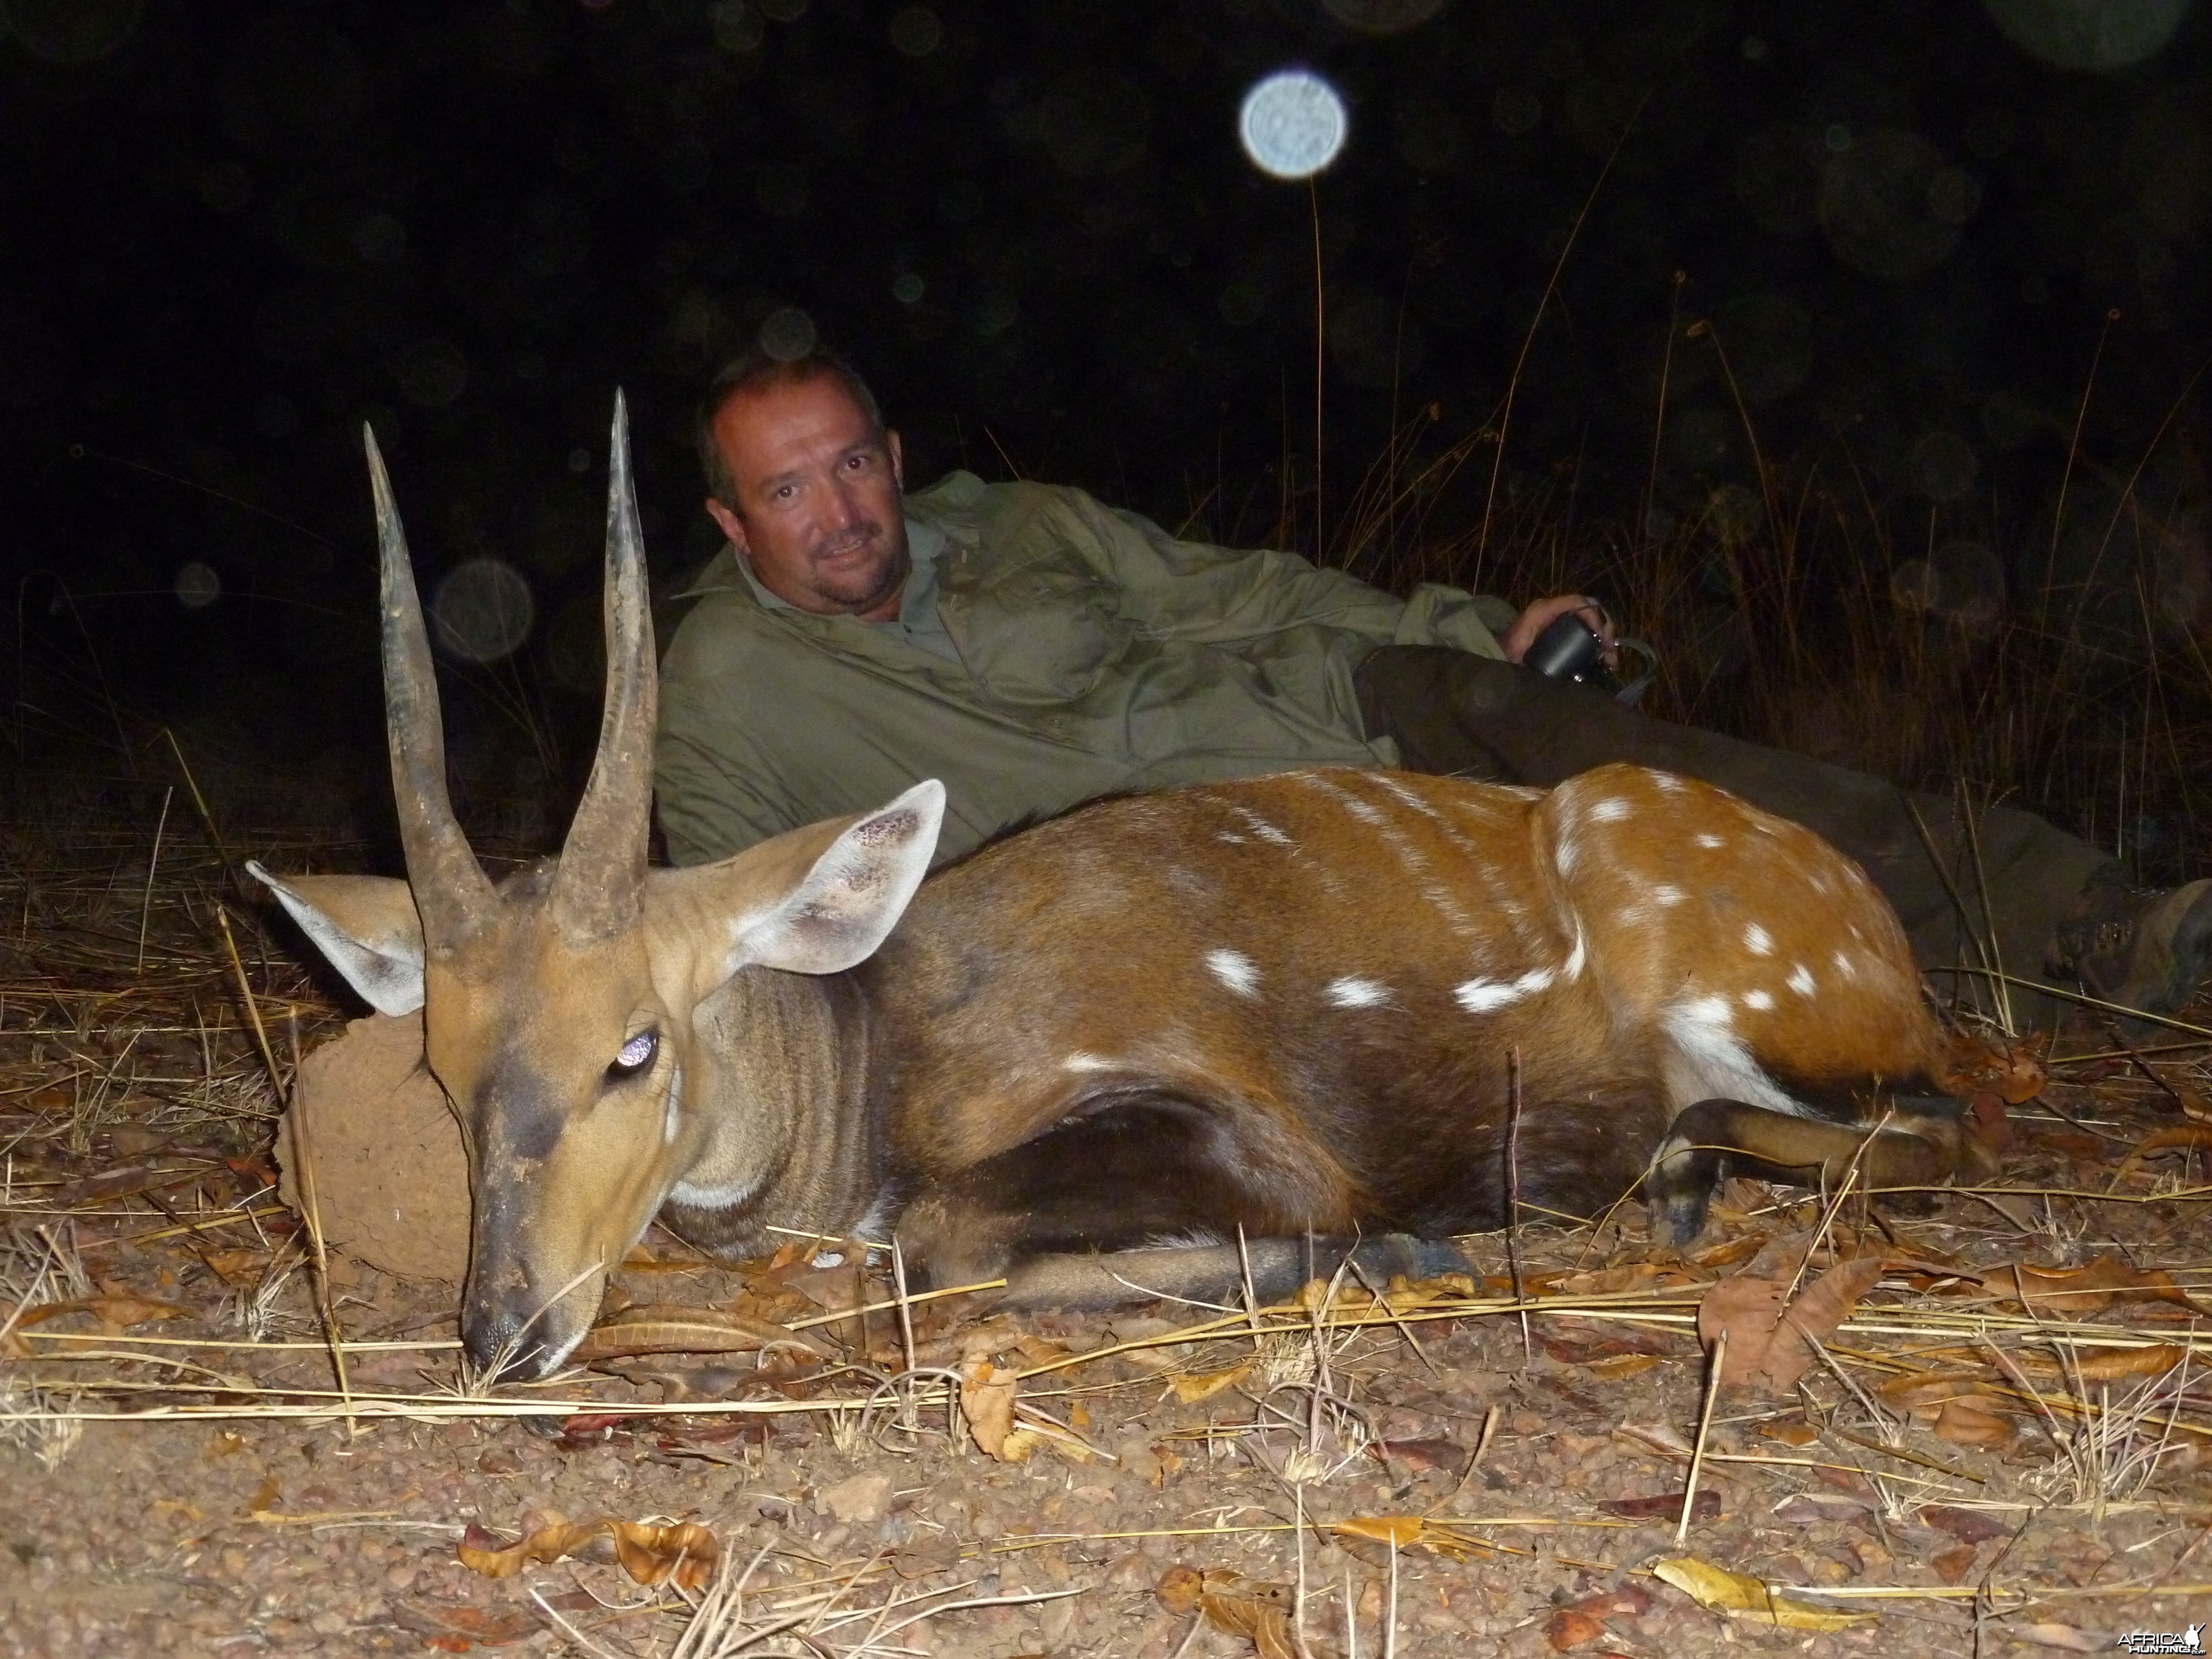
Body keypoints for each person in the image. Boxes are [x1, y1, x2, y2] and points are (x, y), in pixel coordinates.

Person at [654, 343, 2212, 1027]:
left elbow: (1252, 591)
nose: (842, 510)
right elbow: (703, 916)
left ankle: (2086, 919)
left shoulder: (1022, 524)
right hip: (1218, 872)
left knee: (1667, 778)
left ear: (894, 455)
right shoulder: (726, 677)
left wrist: (1478, 632)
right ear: (732, 525)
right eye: (789, 493)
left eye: (853, 462)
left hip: (1360, 704)